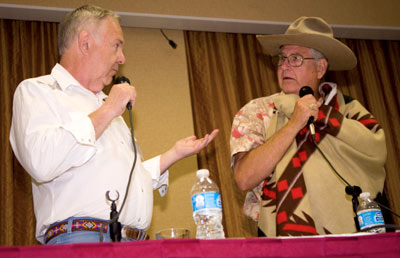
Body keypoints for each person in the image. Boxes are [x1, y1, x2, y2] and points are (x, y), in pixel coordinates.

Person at [9, 5, 218, 244]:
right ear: (85, 43)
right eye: (116, 45)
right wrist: (108, 110)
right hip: (81, 240)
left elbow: (123, 178)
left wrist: (173, 154)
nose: (122, 58)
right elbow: (41, 161)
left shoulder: (107, 105)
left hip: (133, 242)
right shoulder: (39, 91)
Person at [230, 16, 386, 237]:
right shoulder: (259, 111)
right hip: (280, 239)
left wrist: (321, 116)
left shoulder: (350, 112)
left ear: (320, 68)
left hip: (352, 236)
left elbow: (375, 155)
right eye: (281, 58)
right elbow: (244, 177)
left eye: (295, 59)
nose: (284, 66)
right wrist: (294, 123)